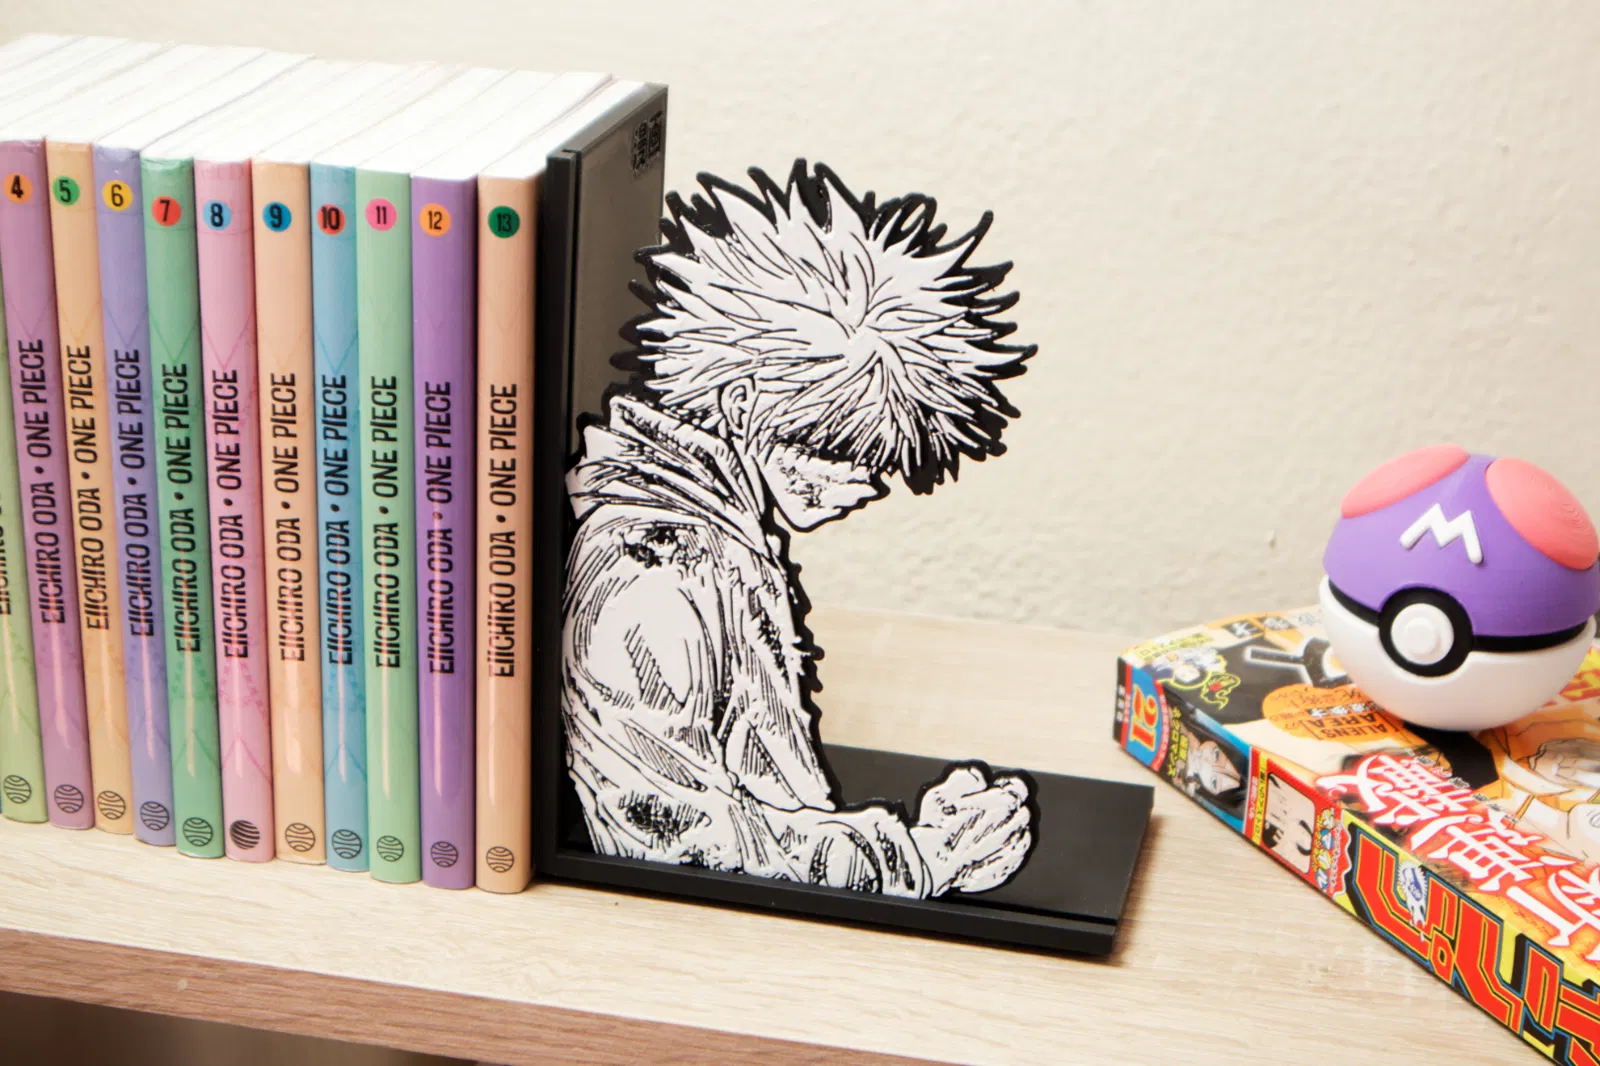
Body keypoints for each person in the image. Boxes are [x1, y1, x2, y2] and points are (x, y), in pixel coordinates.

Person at [561, 162, 1035, 898]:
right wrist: (914, 860)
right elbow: (670, 838)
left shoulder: (720, 545)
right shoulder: (651, 575)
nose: (866, 483)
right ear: (744, 404)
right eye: (843, 451)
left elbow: (766, 789)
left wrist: (913, 838)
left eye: (884, 464)